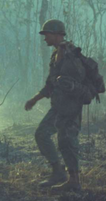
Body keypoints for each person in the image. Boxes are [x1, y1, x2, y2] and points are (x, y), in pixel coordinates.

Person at [24, 19, 86, 192]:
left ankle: (74, 180)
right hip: (58, 105)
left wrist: (70, 93)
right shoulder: (56, 55)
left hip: (70, 106)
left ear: (57, 34)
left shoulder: (70, 54)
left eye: (47, 34)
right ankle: (58, 172)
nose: (45, 38)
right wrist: (34, 99)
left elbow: (78, 80)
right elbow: (51, 84)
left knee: (67, 140)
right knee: (42, 134)